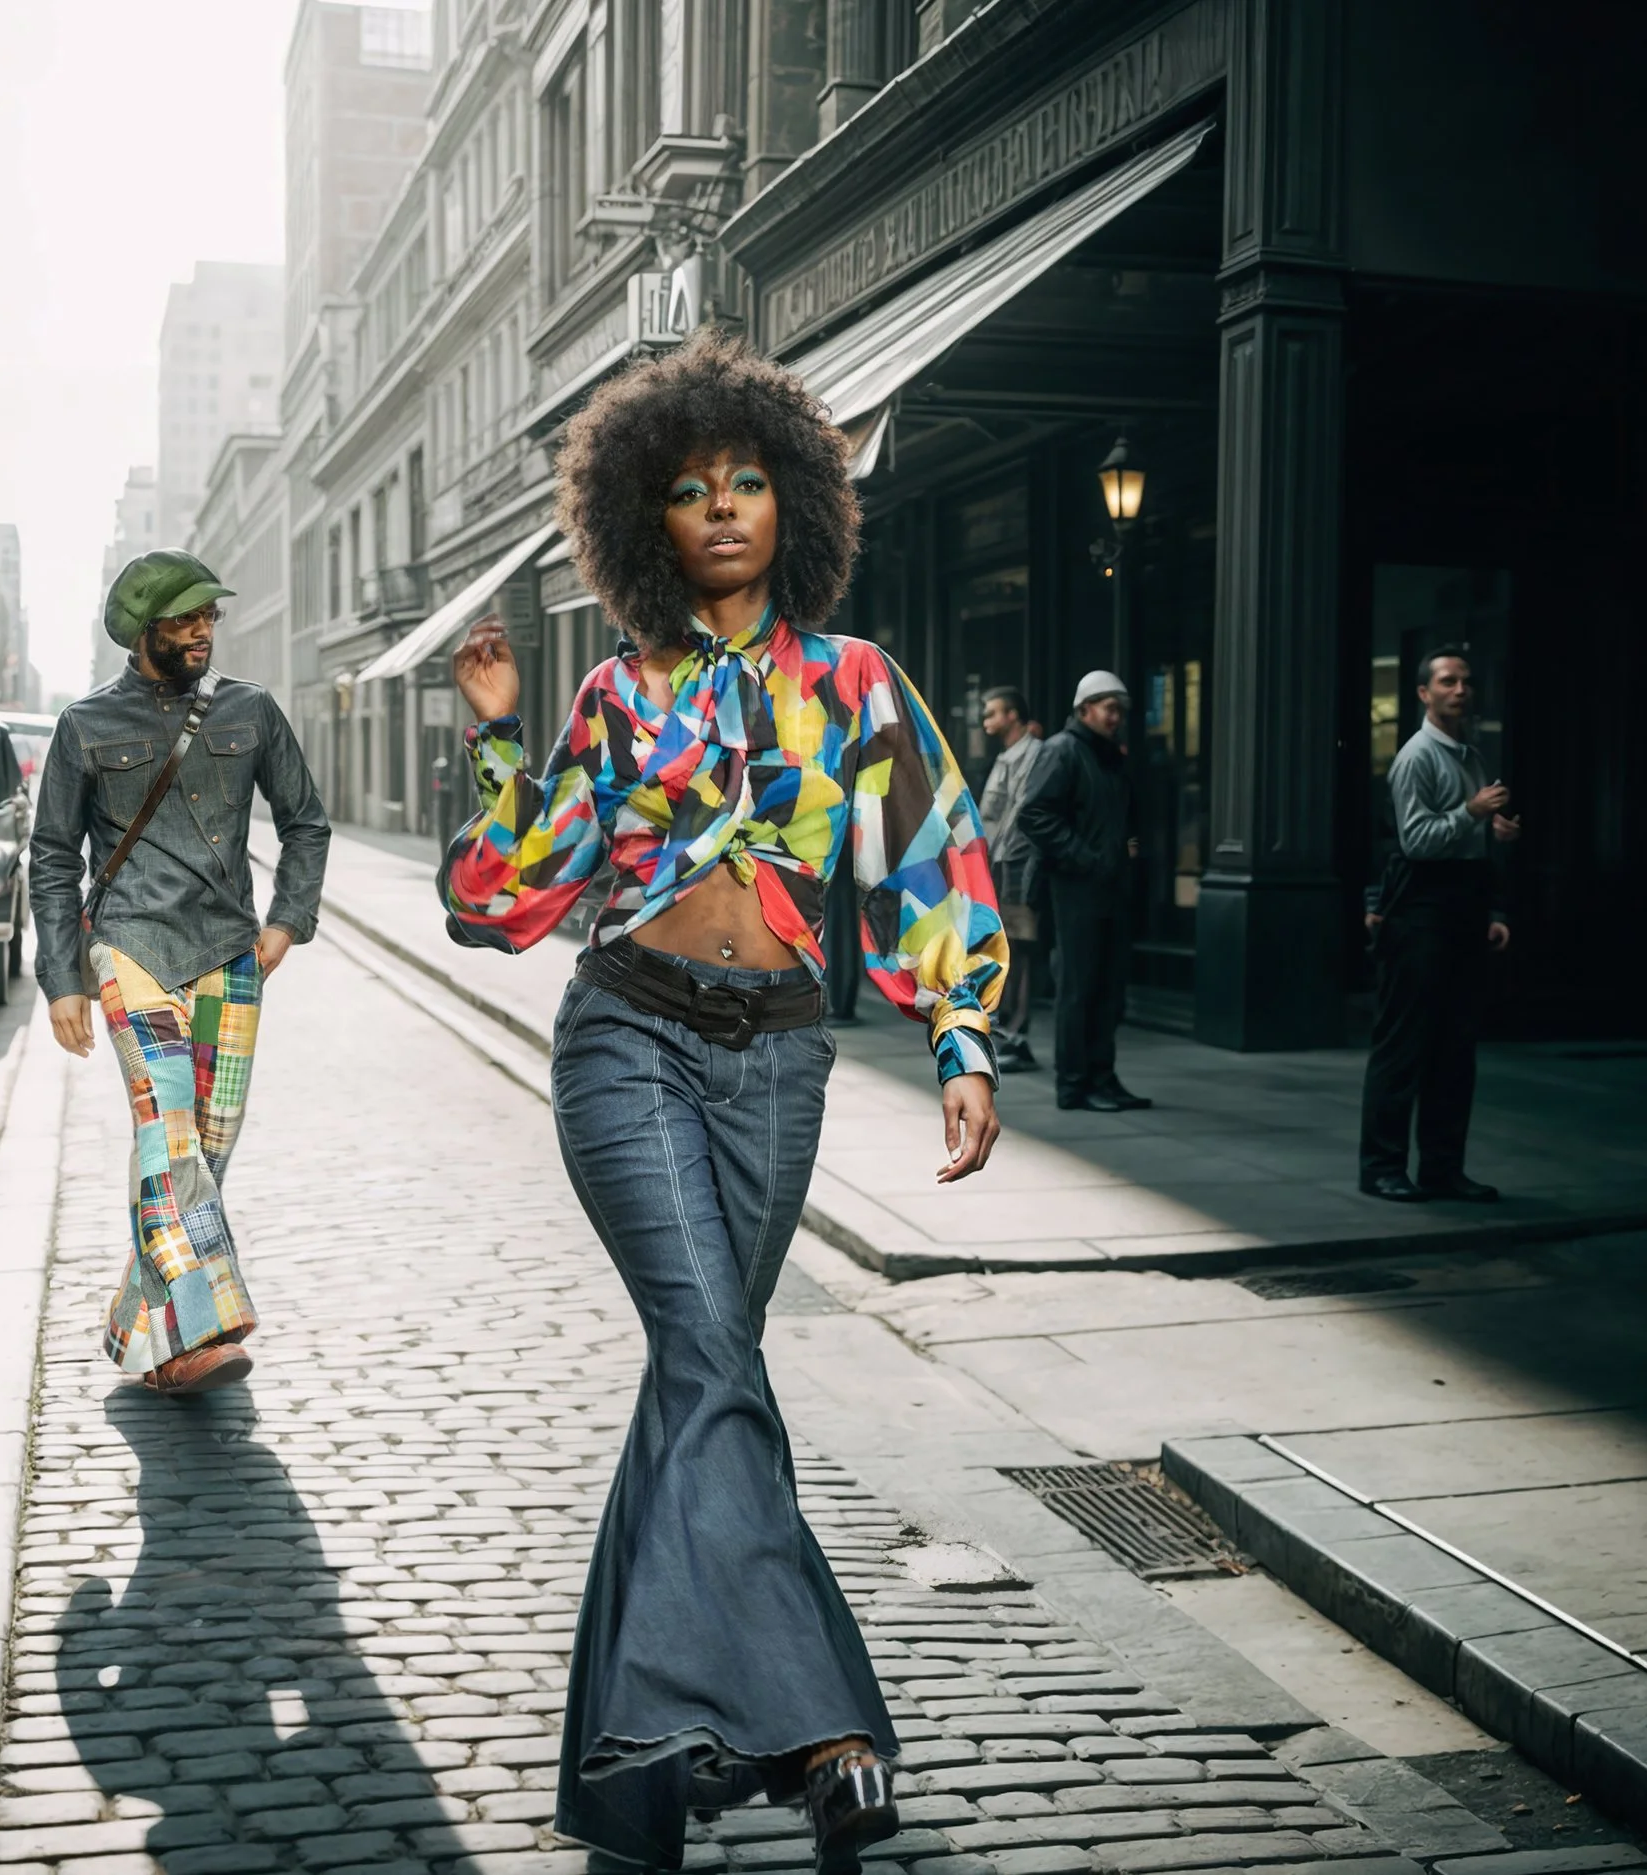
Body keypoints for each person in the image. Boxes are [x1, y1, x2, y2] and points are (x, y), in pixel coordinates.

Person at [439, 332, 1009, 1875]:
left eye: (750, 479)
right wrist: (497, 729)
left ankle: (631, 1782)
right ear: (650, 524)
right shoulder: (619, 698)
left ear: (796, 501)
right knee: (707, 1349)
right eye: (690, 490)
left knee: (700, 1388)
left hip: (780, 1061)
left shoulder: (858, 685)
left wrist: (961, 1028)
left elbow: (927, 858)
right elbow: (498, 902)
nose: (725, 507)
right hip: (626, 1041)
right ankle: (830, 1728)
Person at [28, 549, 332, 1394]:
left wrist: (287, 922)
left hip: (230, 950)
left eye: (210, 616)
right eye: (185, 618)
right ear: (142, 630)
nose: (204, 630)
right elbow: (52, 858)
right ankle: (198, 1330)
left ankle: (136, 1323)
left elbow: (306, 822)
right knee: (168, 1133)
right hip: (131, 947)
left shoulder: (252, 709)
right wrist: (64, 979)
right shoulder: (84, 726)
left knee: (212, 1140)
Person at [1358, 646, 1518, 1202]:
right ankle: (1381, 1167)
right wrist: (1471, 813)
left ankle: (1443, 1168)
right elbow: (1416, 840)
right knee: (1404, 1045)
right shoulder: (1416, 758)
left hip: (1462, 910)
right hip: (1419, 914)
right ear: (1424, 694)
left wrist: (1492, 838)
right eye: (1448, 681)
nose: (1461, 690)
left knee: (1455, 1048)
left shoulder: (1469, 755)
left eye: (1466, 681)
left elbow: (1468, 836)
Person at [1018, 672, 1148, 1112]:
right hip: (1072, 890)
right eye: (1108, 708)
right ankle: (1074, 1084)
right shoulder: (1063, 751)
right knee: (1079, 988)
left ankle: (1102, 1078)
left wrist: (1122, 851)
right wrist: (1088, 857)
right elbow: (1034, 814)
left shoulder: (1108, 757)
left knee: (1108, 989)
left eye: (1120, 710)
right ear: (1084, 709)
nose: (1116, 717)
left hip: (1106, 888)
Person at [975, 686, 1045, 1072]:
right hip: (1000, 863)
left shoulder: (1032, 754)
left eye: (993, 713)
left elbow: (1020, 814)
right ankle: (1007, 1033)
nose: (986, 720)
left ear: (1013, 715)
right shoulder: (1007, 756)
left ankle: (1016, 1036)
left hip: (1017, 864)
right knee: (1004, 949)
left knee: (1018, 950)